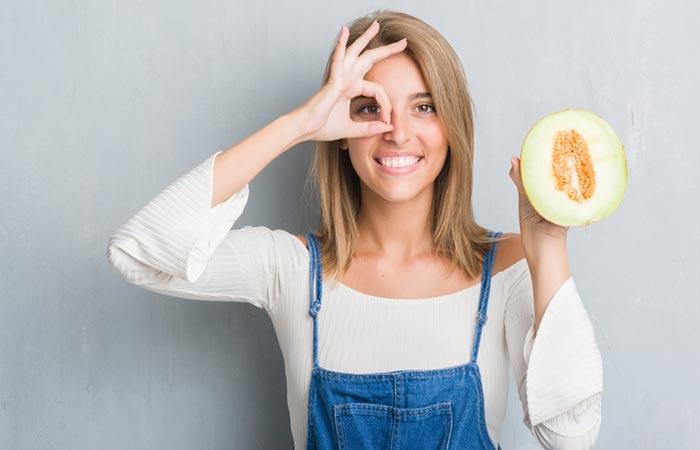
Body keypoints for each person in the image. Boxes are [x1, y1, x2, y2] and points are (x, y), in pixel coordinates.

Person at [107, 9, 603, 450]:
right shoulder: (291, 269)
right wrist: (300, 124)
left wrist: (549, 245)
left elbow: (572, 439)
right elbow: (137, 253)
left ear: (452, 129)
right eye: (370, 108)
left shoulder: (510, 271)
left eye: (424, 107)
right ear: (342, 133)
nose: (398, 131)